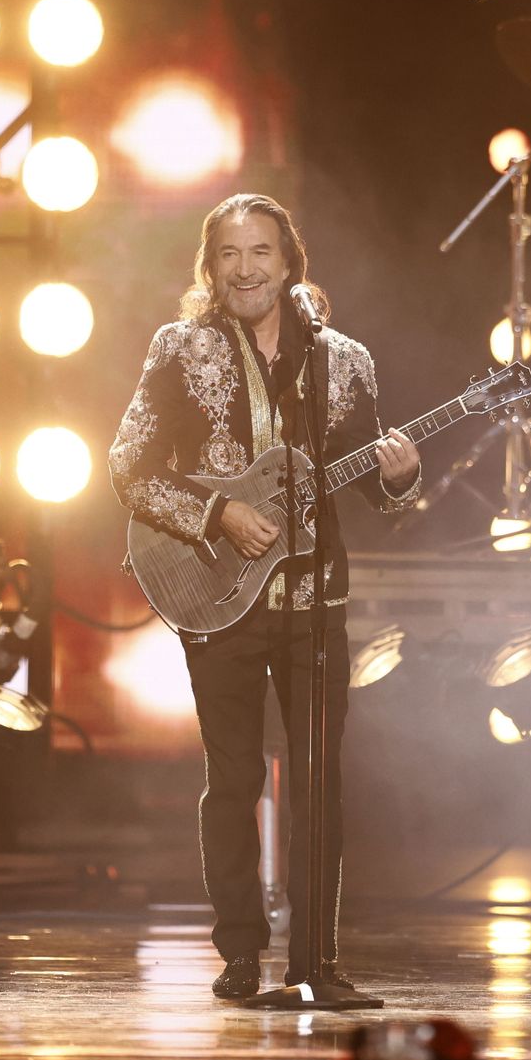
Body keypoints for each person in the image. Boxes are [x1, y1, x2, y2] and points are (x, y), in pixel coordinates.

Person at [108, 193, 421, 999]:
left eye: (261, 253)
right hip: (217, 597)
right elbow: (130, 466)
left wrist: (400, 477)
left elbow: (367, 480)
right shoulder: (181, 349)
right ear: (210, 267)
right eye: (229, 254)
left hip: (316, 602)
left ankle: (319, 960)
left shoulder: (343, 360)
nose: (245, 268)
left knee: (320, 779)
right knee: (235, 775)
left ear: (290, 264)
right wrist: (218, 512)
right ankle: (240, 954)